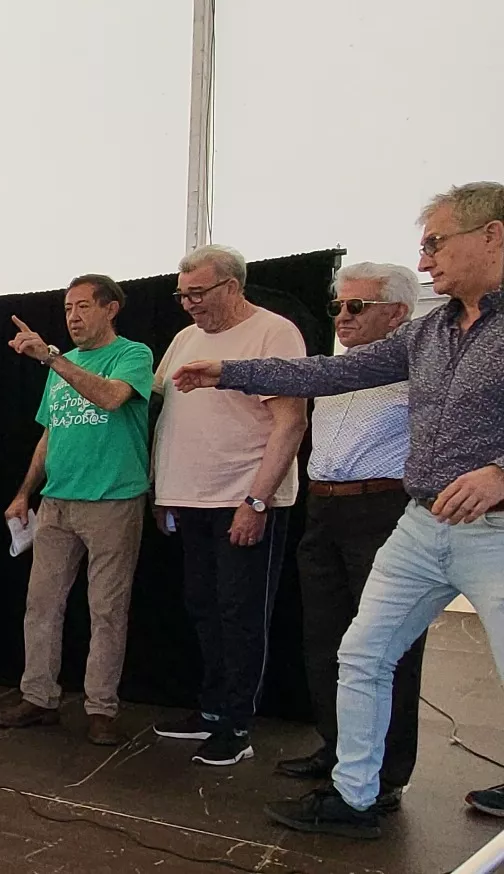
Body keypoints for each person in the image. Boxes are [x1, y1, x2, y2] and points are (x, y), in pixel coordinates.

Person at [174, 182, 504, 837]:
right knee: (360, 654)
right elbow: (325, 373)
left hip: (493, 530)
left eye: (437, 240)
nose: (426, 255)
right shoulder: (431, 333)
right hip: (421, 521)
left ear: (492, 235)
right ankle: (356, 798)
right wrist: (233, 372)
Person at [259, 263, 422, 816]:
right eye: (338, 307)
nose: (343, 317)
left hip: (383, 508)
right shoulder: (333, 370)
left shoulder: (416, 369)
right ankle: (337, 752)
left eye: (357, 306)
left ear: (397, 312)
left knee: (385, 648)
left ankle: (386, 775)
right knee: (324, 640)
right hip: (324, 507)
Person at [149, 244, 309, 767]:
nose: (190, 303)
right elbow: (166, 415)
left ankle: (238, 724)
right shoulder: (183, 338)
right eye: (183, 294)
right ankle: (213, 709)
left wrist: (257, 501)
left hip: (242, 497)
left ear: (233, 287)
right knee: (203, 607)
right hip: (187, 498)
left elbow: (291, 422)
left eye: (199, 292)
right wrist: (160, 489)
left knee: (242, 612)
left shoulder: (274, 332)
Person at [0, 275, 154, 746]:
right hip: (58, 501)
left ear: (111, 309)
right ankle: (38, 697)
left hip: (113, 501)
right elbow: (50, 433)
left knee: (106, 609)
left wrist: (52, 356)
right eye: (67, 309)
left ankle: (101, 708)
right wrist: (25, 492)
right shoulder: (61, 367)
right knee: (40, 605)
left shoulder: (133, 354)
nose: (73, 317)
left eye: (83, 306)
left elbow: (111, 397)